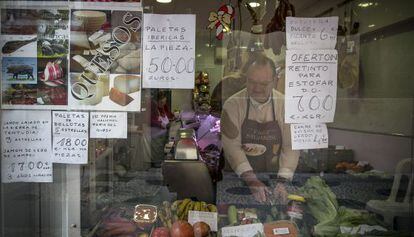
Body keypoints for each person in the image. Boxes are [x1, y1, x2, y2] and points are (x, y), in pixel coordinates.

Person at [221, 54, 299, 203]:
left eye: (263, 84)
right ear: (246, 78)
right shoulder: (233, 105)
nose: (257, 88)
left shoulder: (285, 105)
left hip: (274, 180)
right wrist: (252, 181)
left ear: (275, 81)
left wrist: (282, 182)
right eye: (252, 82)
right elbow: (232, 148)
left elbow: (290, 147)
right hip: (238, 181)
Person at [150, 90, 175, 167]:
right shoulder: (152, 107)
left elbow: (168, 114)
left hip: (164, 131)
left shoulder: (164, 106)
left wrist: (173, 117)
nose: (163, 104)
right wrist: (160, 124)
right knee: (157, 147)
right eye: (161, 102)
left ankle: (161, 161)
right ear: (156, 101)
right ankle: (156, 163)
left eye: (164, 102)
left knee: (163, 147)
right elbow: (150, 119)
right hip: (155, 132)